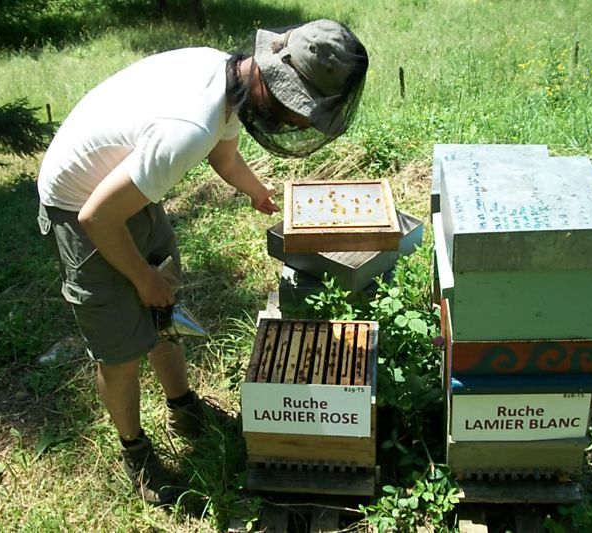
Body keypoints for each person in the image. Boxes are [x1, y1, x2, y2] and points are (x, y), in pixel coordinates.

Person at [36, 19, 368, 505]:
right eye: (299, 112)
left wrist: (256, 192)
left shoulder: (231, 79)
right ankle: (136, 452)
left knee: (164, 312)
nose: (298, 124)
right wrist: (142, 278)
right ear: (271, 83)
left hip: (123, 184)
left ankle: (183, 407)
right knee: (120, 347)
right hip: (80, 203)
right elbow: (97, 216)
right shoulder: (188, 129)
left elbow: (224, 157)